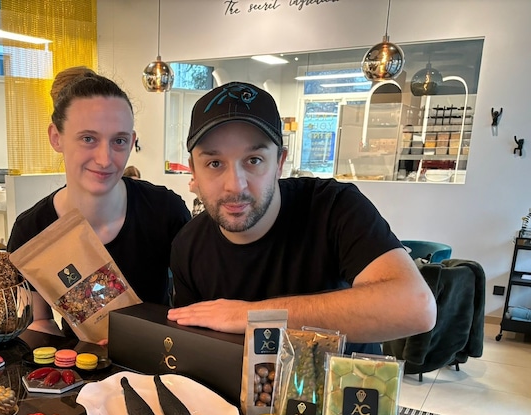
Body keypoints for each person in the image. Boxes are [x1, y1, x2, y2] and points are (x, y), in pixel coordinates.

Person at [167, 81, 436, 349]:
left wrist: (252, 315)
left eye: (254, 160)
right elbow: (195, 350)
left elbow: (415, 307)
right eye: (214, 163)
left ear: (280, 163)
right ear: (193, 169)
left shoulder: (334, 207)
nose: (235, 185)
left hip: (341, 387)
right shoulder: (188, 245)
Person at [8, 66, 191, 336]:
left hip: (161, 368)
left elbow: (191, 306)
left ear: (131, 142)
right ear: (56, 137)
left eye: (118, 140)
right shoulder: (33, 229)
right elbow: (38, 322)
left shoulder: (165, 212)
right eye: (88, 139)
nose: (105, 159)